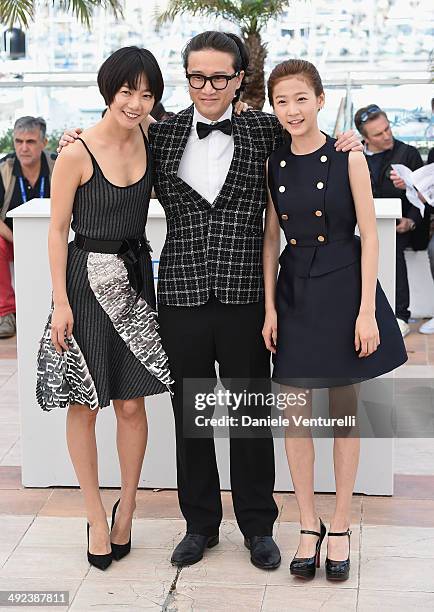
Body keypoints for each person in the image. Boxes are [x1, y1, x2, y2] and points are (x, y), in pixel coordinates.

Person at [59, 31, 361, 571]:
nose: (208, 87)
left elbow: (307, 135)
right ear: (187, 78)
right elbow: (114, 137)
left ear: (239, 80)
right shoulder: (164, 132)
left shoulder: (266, 128)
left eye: (220, 77)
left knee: (248, 416)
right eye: (197, 77)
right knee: (189, 415)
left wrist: (348, 141)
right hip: (179, 295)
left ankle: (257, 525)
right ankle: (199, 524)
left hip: (246, 294)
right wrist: (73, 136)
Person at [264, 60, 407, 581]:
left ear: (320, 100)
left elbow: (371, 235)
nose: (292, 110)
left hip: (346, 287)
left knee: (344, 414)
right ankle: (307, 522)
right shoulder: (273, 162)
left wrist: (367, 310)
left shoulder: (348, 156)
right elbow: (269, 239)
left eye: (301, 98)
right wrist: (269, 308)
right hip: (295, 289)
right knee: (295, 417)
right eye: (281, 101)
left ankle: (341, 524)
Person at [36, 47, 173, 571]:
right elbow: (55, 231)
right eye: (126, 91)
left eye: (146, 93)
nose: (136, 103)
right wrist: (60, 302)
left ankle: (127, 510)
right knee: (85, 403)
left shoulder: (152, 139)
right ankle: (94, 514)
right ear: (107, 91)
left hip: (135, 283)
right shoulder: (76, 151)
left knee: (133, 405)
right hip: (85, 283)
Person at [354, 104, 425, 338]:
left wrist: (410, 220)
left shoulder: (408, 153)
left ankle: (400, 315)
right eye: (378, 134)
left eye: (387, 129)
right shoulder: (355, 156)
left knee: (390, 246)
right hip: (364, 226)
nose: (386, 136)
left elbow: (425, 195)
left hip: (404, 227)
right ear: (365, 138)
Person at [0, 116, 55, 338]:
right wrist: (18, 239)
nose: (23, 148)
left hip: (55, 239)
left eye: (30, 141)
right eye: (18, 141)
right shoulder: (4, 169)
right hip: (13, 241)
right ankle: (6, 314)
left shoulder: (58, 164)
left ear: (43, 143)